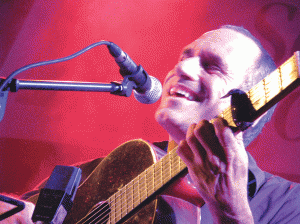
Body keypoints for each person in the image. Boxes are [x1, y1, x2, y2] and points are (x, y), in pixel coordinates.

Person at [1, 25, 300, 223]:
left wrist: (228, 207)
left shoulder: (288, 203)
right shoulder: (101, 172)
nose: (181, 68)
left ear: (250, 110)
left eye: (211, 66)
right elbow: (20, 215)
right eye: (184, 58)